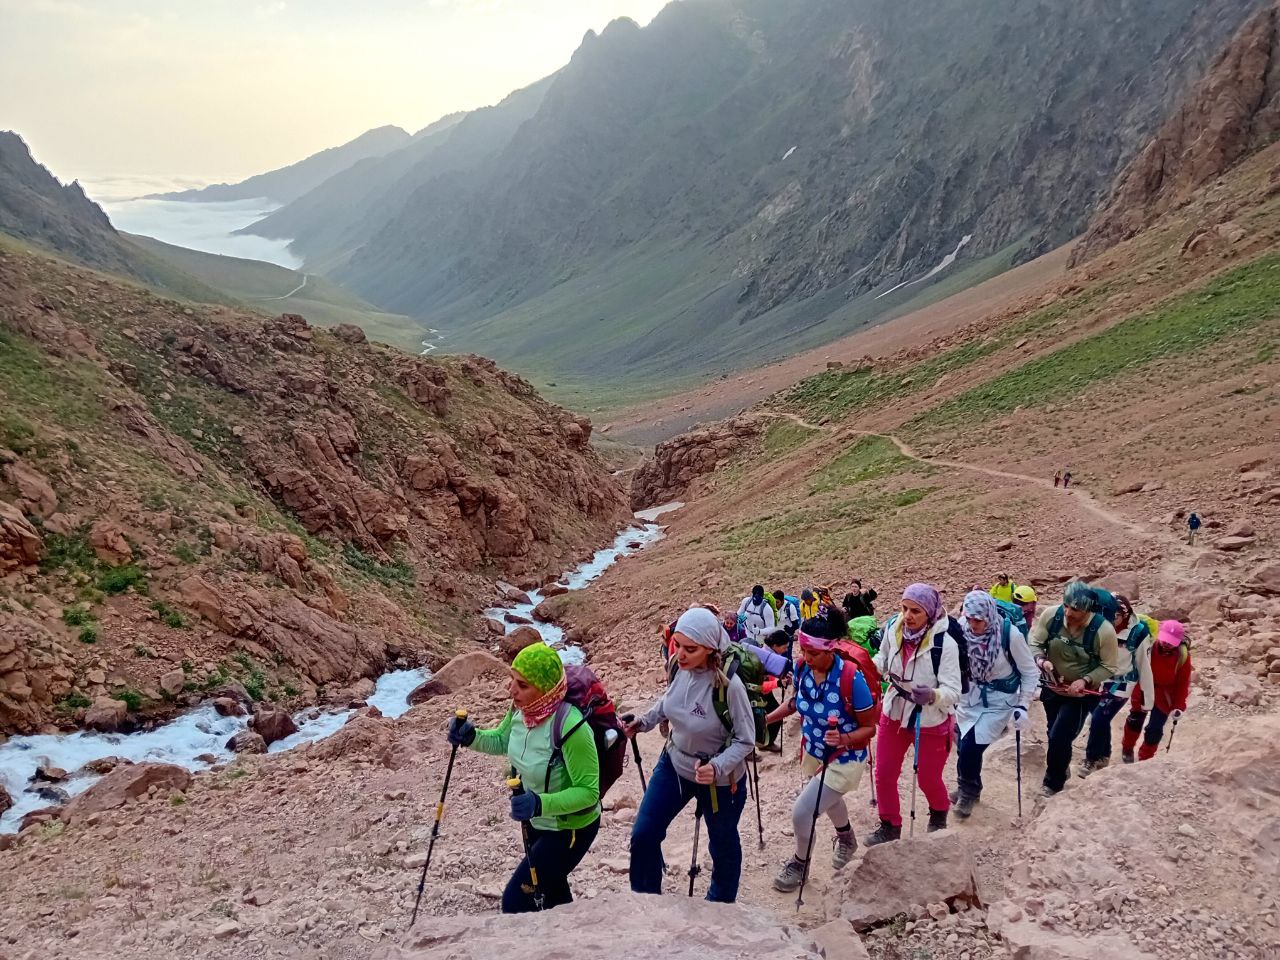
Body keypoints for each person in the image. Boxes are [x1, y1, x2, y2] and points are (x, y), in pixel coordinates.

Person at [447, 642, 600, 913]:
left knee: (515, 901)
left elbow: (589, 792)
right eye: (512, 679)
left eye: (523, 685)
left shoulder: (571, 727)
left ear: (546, 689)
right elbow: (502, 740)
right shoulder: (522, 710)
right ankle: (568, 934)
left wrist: (539, 803)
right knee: (552, 888)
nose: (512, 690)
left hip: (570, 829)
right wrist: (471, 737)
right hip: (536, 819)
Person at [626, 607, 754, 903]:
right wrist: (644, 722)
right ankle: (645, 903)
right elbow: (670, 701)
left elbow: (746, 740)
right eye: (678, 645)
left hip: (720, 781)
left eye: (690, 649)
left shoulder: (729, 686)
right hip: (674, 762)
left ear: (710, 649)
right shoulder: (677, 666)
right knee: (644, 835)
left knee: (722, 845)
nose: (681, 654)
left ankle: (720, 906)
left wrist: (717, 767)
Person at [767, 616, 877, 890]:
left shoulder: (852, 678)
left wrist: (843, 738)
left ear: (830, 649)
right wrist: (763, 721)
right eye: (803, 650)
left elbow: (869, 728)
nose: (807, 657)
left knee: (802, 813)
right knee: (828, 800)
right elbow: (796, 703)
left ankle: (800, 864)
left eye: (814, 653)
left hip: (844, 757)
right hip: (814, 750)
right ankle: (846, 837)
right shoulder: (802, 668)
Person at [866, 584, 963, 844]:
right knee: (884, 773)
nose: (907, 616)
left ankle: (939, 813)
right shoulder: (893, 629)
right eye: (904, 608)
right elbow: (883, 658)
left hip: (930, 718)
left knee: (928, 779)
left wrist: (933, 695)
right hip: (895, 710)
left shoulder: (945, 644)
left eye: (915, 611)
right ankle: (889, 825)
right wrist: (867, 666)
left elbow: (954, 691)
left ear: (929, 613)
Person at [952, 591, 1040, 818]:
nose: (973, 625)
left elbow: (1030, 672)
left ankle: (968, 792)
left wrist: (1023, 705)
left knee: (971, 745)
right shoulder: (962, 627)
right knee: (962, 744)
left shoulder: (1010, 635)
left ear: (989, 617)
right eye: (969, 618)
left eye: (978, 620)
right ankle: (969, 784)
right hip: (969, 696)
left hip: (999, 701)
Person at [1028, 580, 1120, 796]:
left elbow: (1109, 666)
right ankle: (1061, 767)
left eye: (1075, 609)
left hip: (1080, 695)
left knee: (1060, 736)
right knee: (1053, 731)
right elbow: (1036, 642)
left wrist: (1085, 680)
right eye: (1066, 606)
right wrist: (1041, 660)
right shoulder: (1052, 616)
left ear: (1087, 610)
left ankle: (1053, 783)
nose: (1068, 613)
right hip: (1052, 686)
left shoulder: (1103, 631)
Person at [1079, 595, 1154, 776]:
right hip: (1099, 678)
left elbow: (1144, 665)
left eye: (1115, 615)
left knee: (1098, 718)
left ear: (1125, 614)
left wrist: (1147, 698)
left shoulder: (1138, 633)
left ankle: (1091, 759)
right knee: (1099, 717)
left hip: (1122, 682)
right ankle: (1104, 755)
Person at [1122, 620, 1191, 761]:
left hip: (1165, 696)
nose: (1166, 644)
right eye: (1165, 639)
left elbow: (1183, 683)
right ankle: (1127, 749)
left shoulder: (1182, 656)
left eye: (1171, 642)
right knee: (1135, 720)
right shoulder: (1148, 646)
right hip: (1143, 688)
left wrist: (1178, 706)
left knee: (1155, 729)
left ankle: (1145, 758)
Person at [754, 629, 794, 751]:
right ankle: (762, 744)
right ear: (775, 645)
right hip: (757, 694)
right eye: (784, 647)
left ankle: (765, 743)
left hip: (765, 692)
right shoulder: (764, 660)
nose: (786, 650)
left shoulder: (769, 656)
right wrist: (778, 683)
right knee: (772, 717)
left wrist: (782, 676)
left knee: (773, 716)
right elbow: (760, 687)